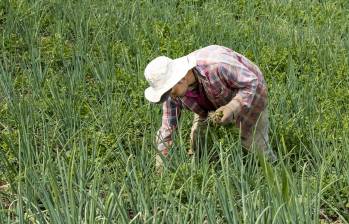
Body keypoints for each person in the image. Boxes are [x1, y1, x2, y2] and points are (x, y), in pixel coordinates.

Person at [144, 45, 277, 170]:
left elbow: (252, 82)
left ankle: (273, 171)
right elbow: (167, 129)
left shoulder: (217, 66)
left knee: (252, 144)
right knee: (199, 140)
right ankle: (201, 170)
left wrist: (231, 107)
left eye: (168, 90)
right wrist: (161, 164)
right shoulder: (172, 94)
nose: (169, 96)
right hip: (208, 102)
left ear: (180, 78)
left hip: (249, 93)